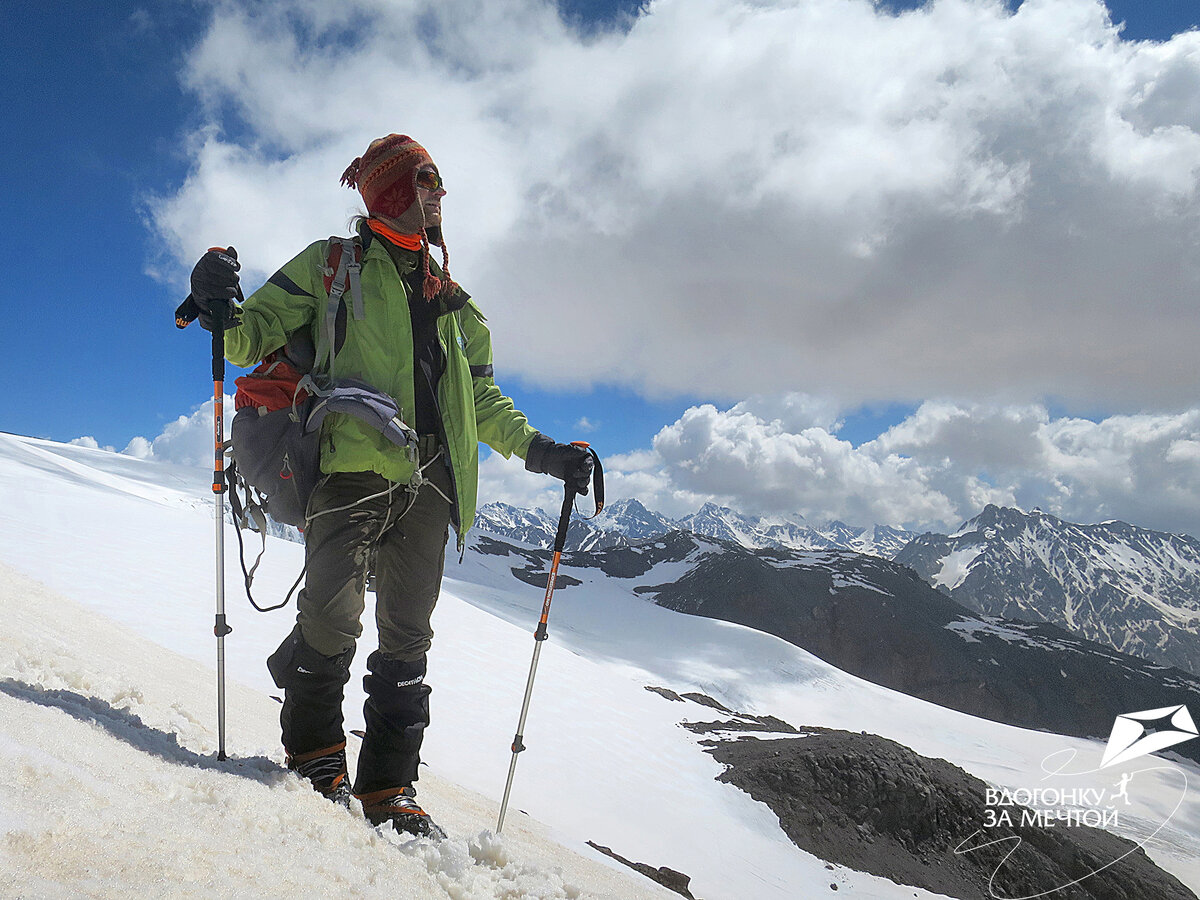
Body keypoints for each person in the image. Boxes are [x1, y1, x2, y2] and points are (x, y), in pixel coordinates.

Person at [187, 133, 593, 837]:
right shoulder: (331, 266)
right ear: (397, 191)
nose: (442, 193)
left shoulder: (458, 305)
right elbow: (246, 337)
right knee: (332, 615)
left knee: (408, 637)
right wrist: (218, 301)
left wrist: (541, 451)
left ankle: (388, 788)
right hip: (352, 470)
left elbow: (485, 401)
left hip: (432, 482)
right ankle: (316, 754)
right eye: (430, 180)